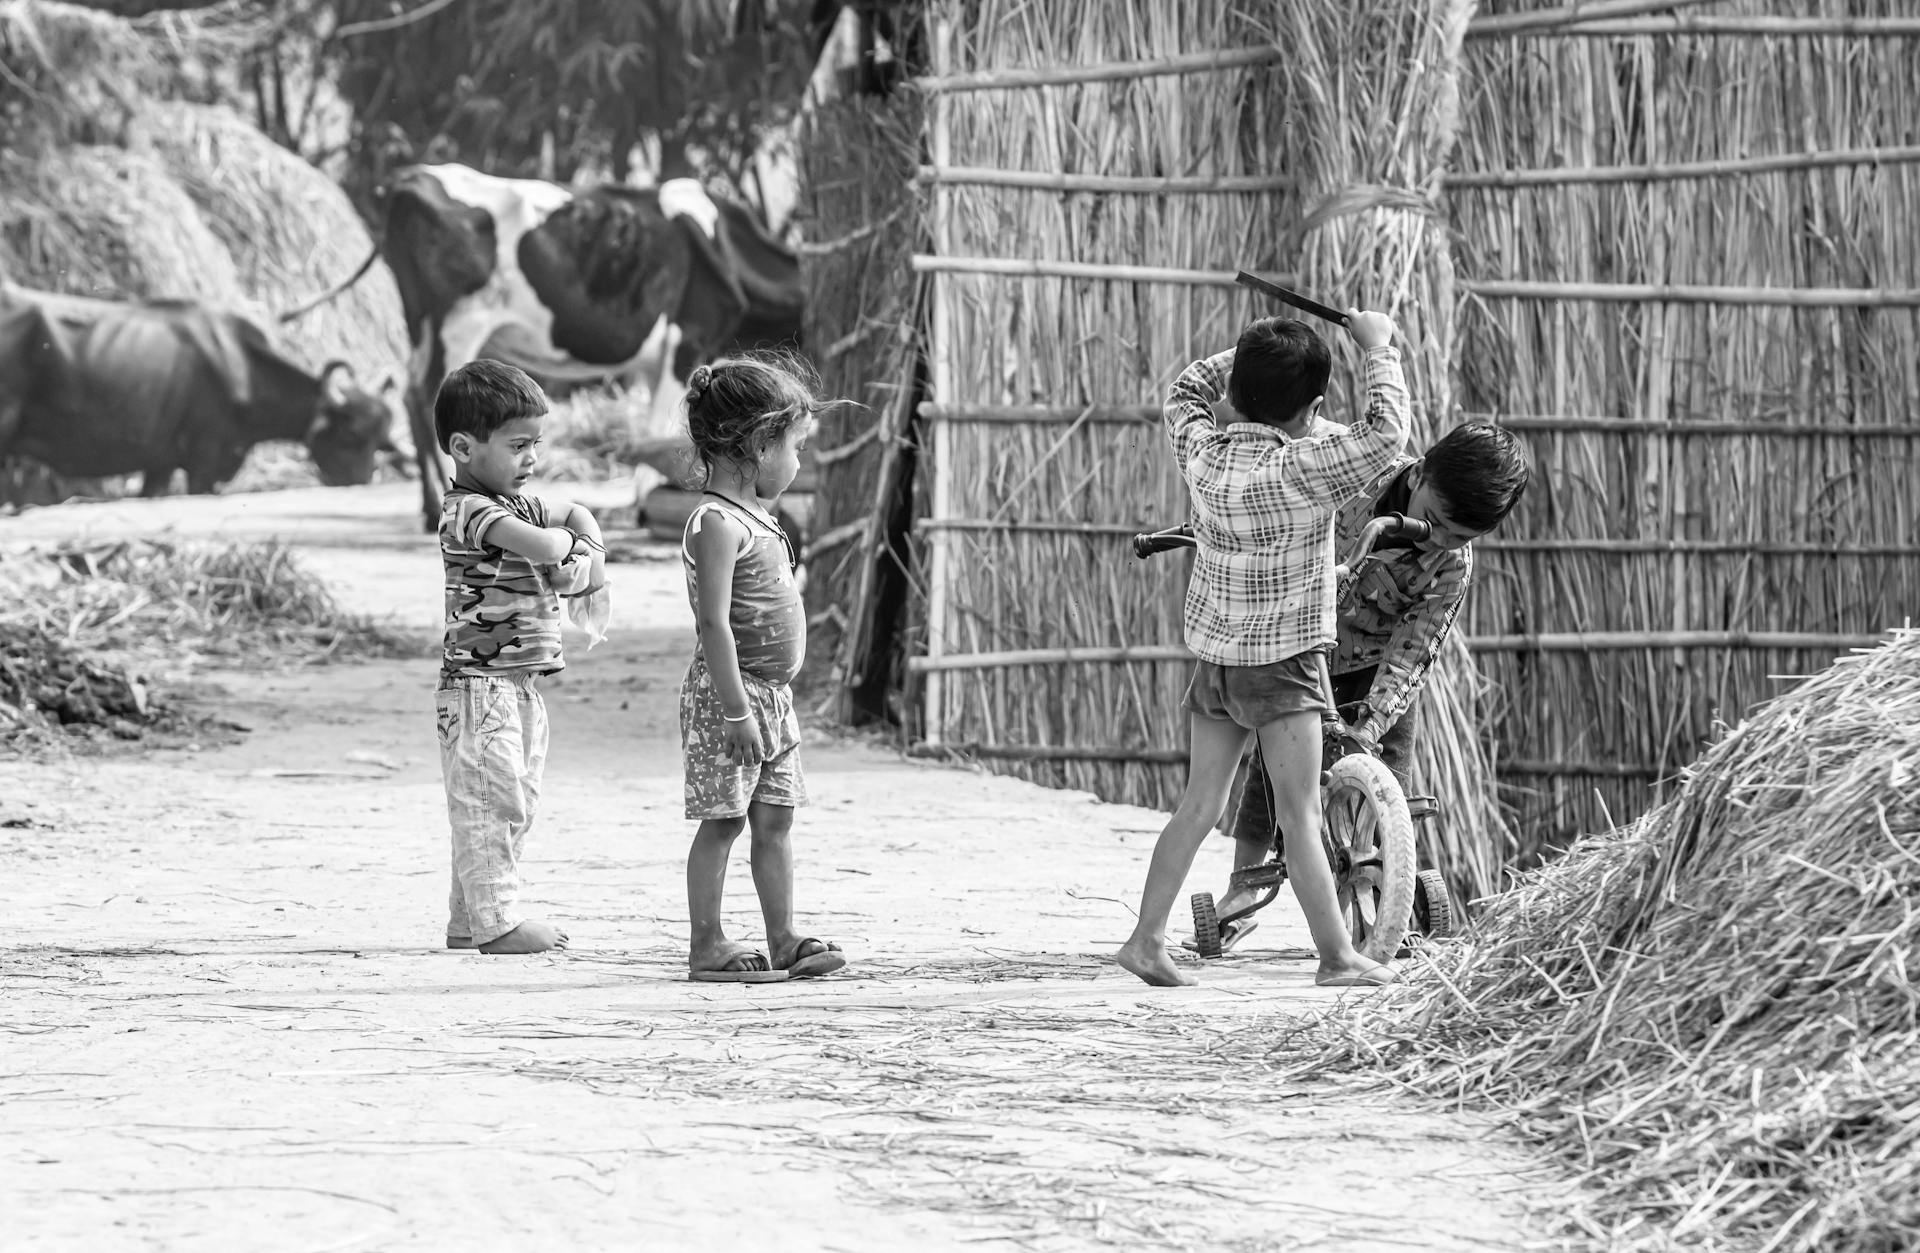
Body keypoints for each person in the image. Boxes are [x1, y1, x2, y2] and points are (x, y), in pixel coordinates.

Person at [1114, 309, 1410, 988]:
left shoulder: (1204, 453)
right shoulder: (1308, 465)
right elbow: (1386, 433)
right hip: (1285, 664)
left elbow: (1188, 388)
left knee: (1198, 804)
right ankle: (1336, 957)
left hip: (1217, 660)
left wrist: (1258, 354)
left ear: (1235, 392)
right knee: (1300, 813)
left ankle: (1145, 939)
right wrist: (1377, 349)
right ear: (1309, 412)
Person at [1210, 423, 1531, 946]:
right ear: (1421, 471)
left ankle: (1385, 899)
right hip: (1299, 641)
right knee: (1274, 769)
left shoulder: (1451, 565)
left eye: (1462, 537)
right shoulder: (1354, 473)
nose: (1442, 541)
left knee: (1390, 769)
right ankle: (1244, 887)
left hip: (1377, 664)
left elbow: (1414, 651)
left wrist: (1373, 723)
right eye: (1436, 523)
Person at [678, 353, 847, 983]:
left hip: (771, 698)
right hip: (732, 698)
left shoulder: (759, 516)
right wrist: (734, 710)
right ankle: (707, 945)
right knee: (723, 821)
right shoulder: (714, 523)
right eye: (793, 447)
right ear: (753, 444)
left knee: (775, 819)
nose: (797, 463)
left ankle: (784, 936)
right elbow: (713, 623)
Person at [435, 359, 606, 955]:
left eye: (537, 443)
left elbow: (577, 515)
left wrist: (588, 550)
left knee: (510, 798)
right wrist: (575, 555)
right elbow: (552, 541)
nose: (532, 458)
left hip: (517, 684)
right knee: (492, 799)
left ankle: (469, 919)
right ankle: (498, 924)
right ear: (463, 447)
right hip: (480, 688)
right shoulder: (469, 511)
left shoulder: (513, 499)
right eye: (518, 445)